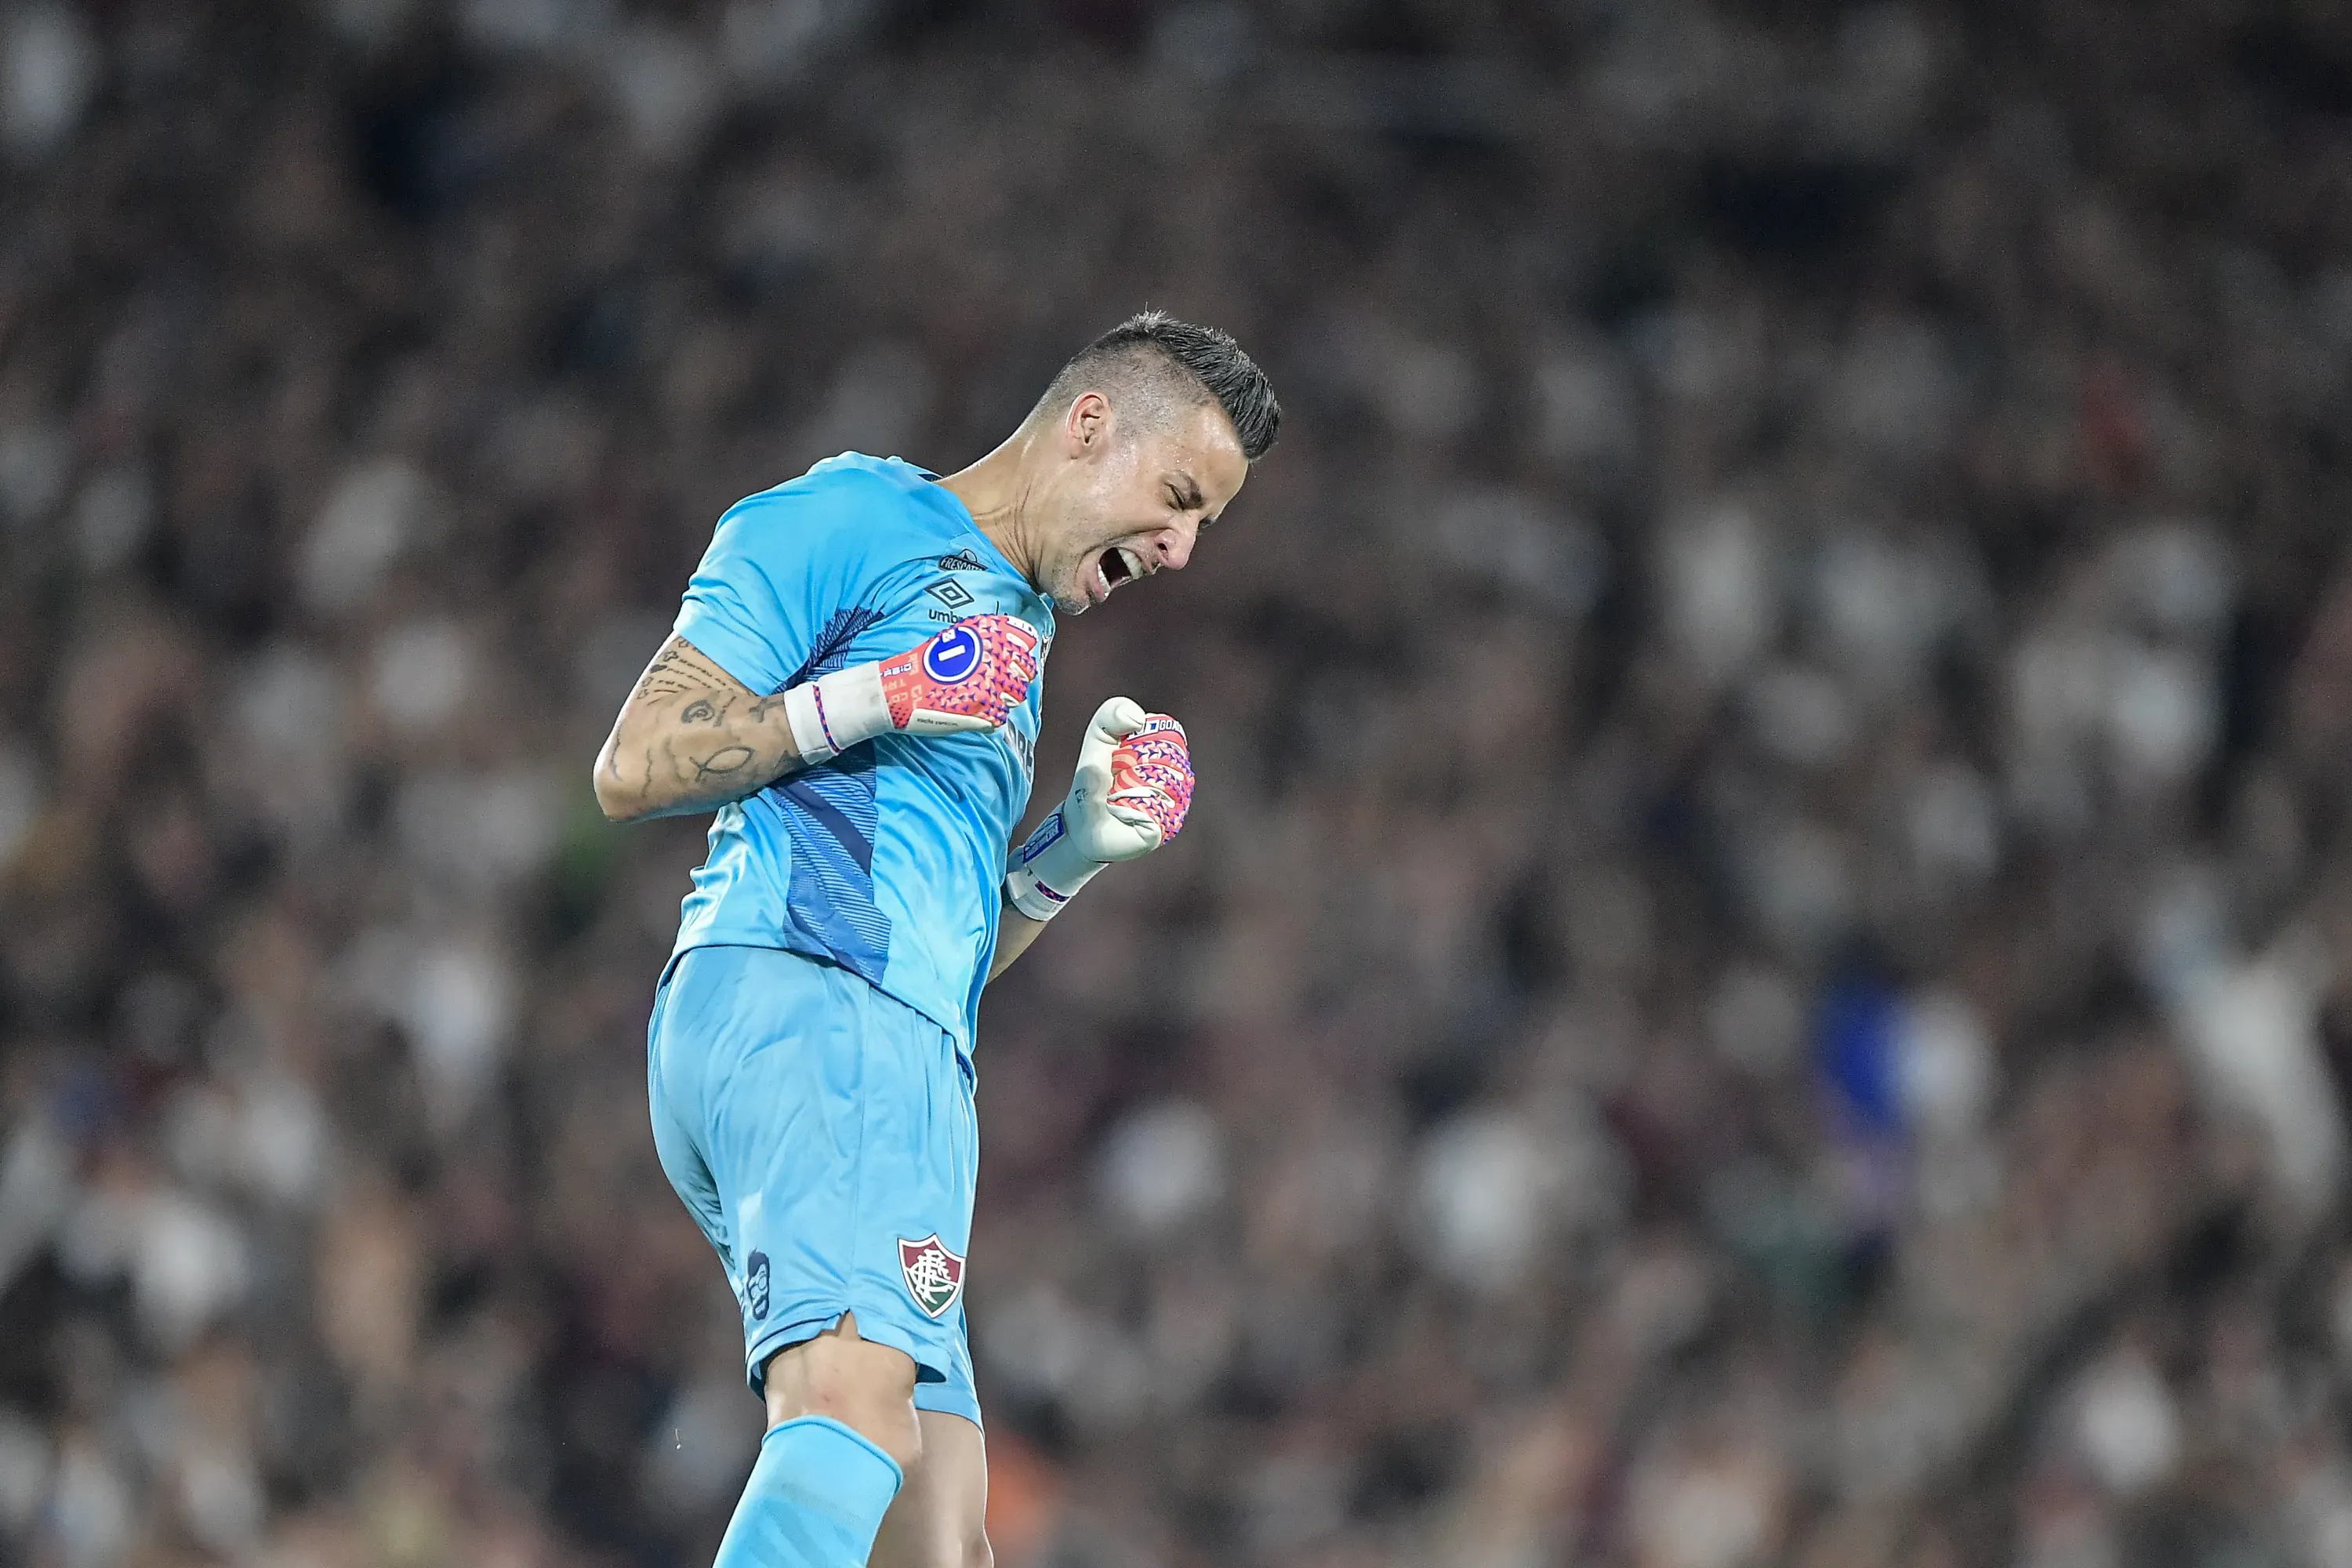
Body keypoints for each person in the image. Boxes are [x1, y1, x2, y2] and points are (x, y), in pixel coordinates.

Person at [592, 311, 1279, 1568]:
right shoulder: (855, 518)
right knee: (846, 1415)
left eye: (1204, 527)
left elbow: (944, 955)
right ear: (1088, 426)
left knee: (940, 1536)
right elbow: (635, 764)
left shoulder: (1014, 636)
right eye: (1178, 497)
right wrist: (884, 694)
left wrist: (1069, 852)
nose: (1182, 550)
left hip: (903, 1049)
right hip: (806, 1002)